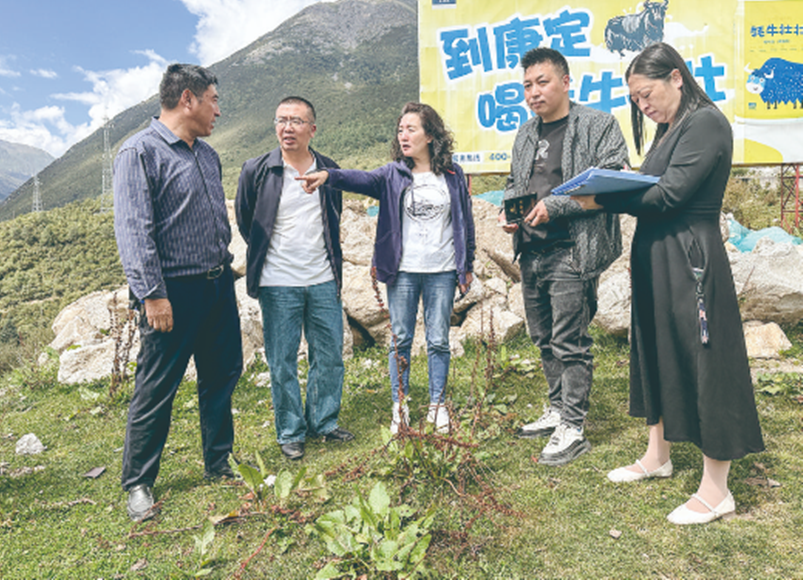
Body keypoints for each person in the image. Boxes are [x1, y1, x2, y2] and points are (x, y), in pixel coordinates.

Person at [573, 42, 764, 524]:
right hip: (657, 254)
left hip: (690, 256)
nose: (643, 105)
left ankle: (717, 488)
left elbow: (670, 195)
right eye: (635, 99)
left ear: (676, 77)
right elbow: (651, 187)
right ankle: (657, 455)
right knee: (655, 350)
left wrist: (604, 199)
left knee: (705, 359)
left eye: (647, 93)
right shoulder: (669, 128)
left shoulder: (706, 122)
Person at [113, 64, 243, 522]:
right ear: (188, 99)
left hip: (217, 283)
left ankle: (219, 461)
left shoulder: (207, 154)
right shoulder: (139, 152)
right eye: (213, 100)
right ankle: (138, 482)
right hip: (172, 292)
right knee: (157, 387)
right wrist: (151, 294)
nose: (218, 111)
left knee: (222, 374)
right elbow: (134, 231)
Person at [298, 102, 475, 434]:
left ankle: (438, 405)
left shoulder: (453, 174)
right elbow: (360, 179)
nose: (403, 135)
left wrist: (467, 264)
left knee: (438, 339)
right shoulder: (392, 174)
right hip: (402, 271)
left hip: (442, 270)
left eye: (411, 129)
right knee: (401, 339)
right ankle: (400, 405)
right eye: (400, 130)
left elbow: (465, 221)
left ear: (430, 136)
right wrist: (328, 176)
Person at [500, 47, 629, 466]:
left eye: (542, 82)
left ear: (566, 81)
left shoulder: (597, 125)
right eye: (527, 86)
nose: (533, 92)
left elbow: (613, 180)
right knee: (542, 338)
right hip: (531, 250)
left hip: (573, 250)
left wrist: (554, 207)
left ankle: (573, 425)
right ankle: (557, 409)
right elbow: (515, 181)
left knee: (569, 342)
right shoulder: (525, 134)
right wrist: (510, 211)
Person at [236, 96, 354, 461]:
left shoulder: (329, 170)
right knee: (282, 359)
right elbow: (247, 222)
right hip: (277, 281)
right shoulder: (257, 170)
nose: (287, 128)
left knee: (329, 354)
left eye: (296, 121)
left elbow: (332, 216)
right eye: (281, 120)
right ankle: (290, 430)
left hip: (323, 278)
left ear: (312, 129)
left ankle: (324, 421)